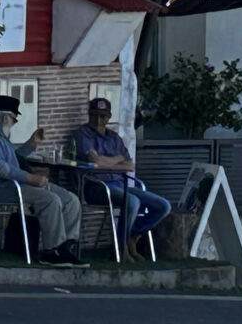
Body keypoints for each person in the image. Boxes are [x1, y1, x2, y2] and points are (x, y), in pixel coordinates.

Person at [0, 93, 83, 263]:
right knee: (50, 199)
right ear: (4, 117)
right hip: (4, 189)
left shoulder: (0, 135)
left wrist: (32, 144)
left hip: (19, 184)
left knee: (71, 200)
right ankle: (52, 252)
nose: (14, 124)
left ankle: (67, 247)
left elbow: (13, 159)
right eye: (14, 120)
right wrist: (31, 178)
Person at [69, 96, 171, 255]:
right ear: (89, 115)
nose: (98, 119)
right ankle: (121, 249)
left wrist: (109, 162)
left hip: (120, 183)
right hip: (96, 186)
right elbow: (94, 161)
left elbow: (130, 165)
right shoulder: (83, 133)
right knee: (132, 202)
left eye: (102, 116)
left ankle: (132, 234)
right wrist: (118, 159)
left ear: (109, 117)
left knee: (163, 205)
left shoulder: (114, 137)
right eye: (94, 115)